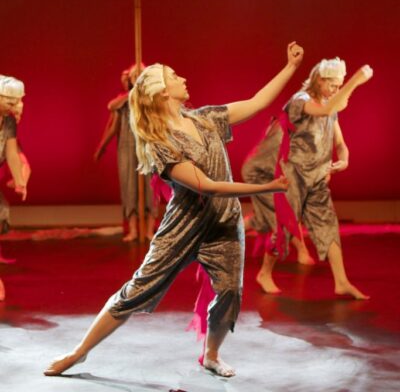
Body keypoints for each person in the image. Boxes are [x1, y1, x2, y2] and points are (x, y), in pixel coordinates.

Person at [44, 42, 304, 378]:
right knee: (137, 289)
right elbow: (207, 186)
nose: (183, 78)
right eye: (174, 76)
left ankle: (211, 355)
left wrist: (290, 66)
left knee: (230, 292)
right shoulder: (161, 143)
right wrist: (269, 187)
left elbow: (256, 102)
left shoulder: (207, 118)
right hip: (184, 226)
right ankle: (78, 353)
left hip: (223, 223)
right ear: (163, 92)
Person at [241, 58, 373, 298]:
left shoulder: (330, 106)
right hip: (294, 176)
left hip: (318, 177)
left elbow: (340, 143)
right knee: (284, 228)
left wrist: (344, 159)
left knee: (328, 225)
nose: (336, 90)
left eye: (339, 86)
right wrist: (355, 80)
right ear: (319, 81)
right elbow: (324, 110)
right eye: (333, 85)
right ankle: (264, 273)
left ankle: (341, 282)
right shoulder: (300, 101)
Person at [94, 63, 157, 241]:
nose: (137, 78)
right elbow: (112, 118)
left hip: (148, 147)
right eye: (134, 76)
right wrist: (102, 147)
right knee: (129, 186)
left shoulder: (151, 98)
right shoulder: (123, 101)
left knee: (150, 187)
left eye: (140, 75)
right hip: (127, 147)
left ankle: (149, 230)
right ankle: (133, 230)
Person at [0, 75, 29, 299]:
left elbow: (11, 152)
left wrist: (20, 180)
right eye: (10, 101)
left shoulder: (8, 122)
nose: (15, 106)